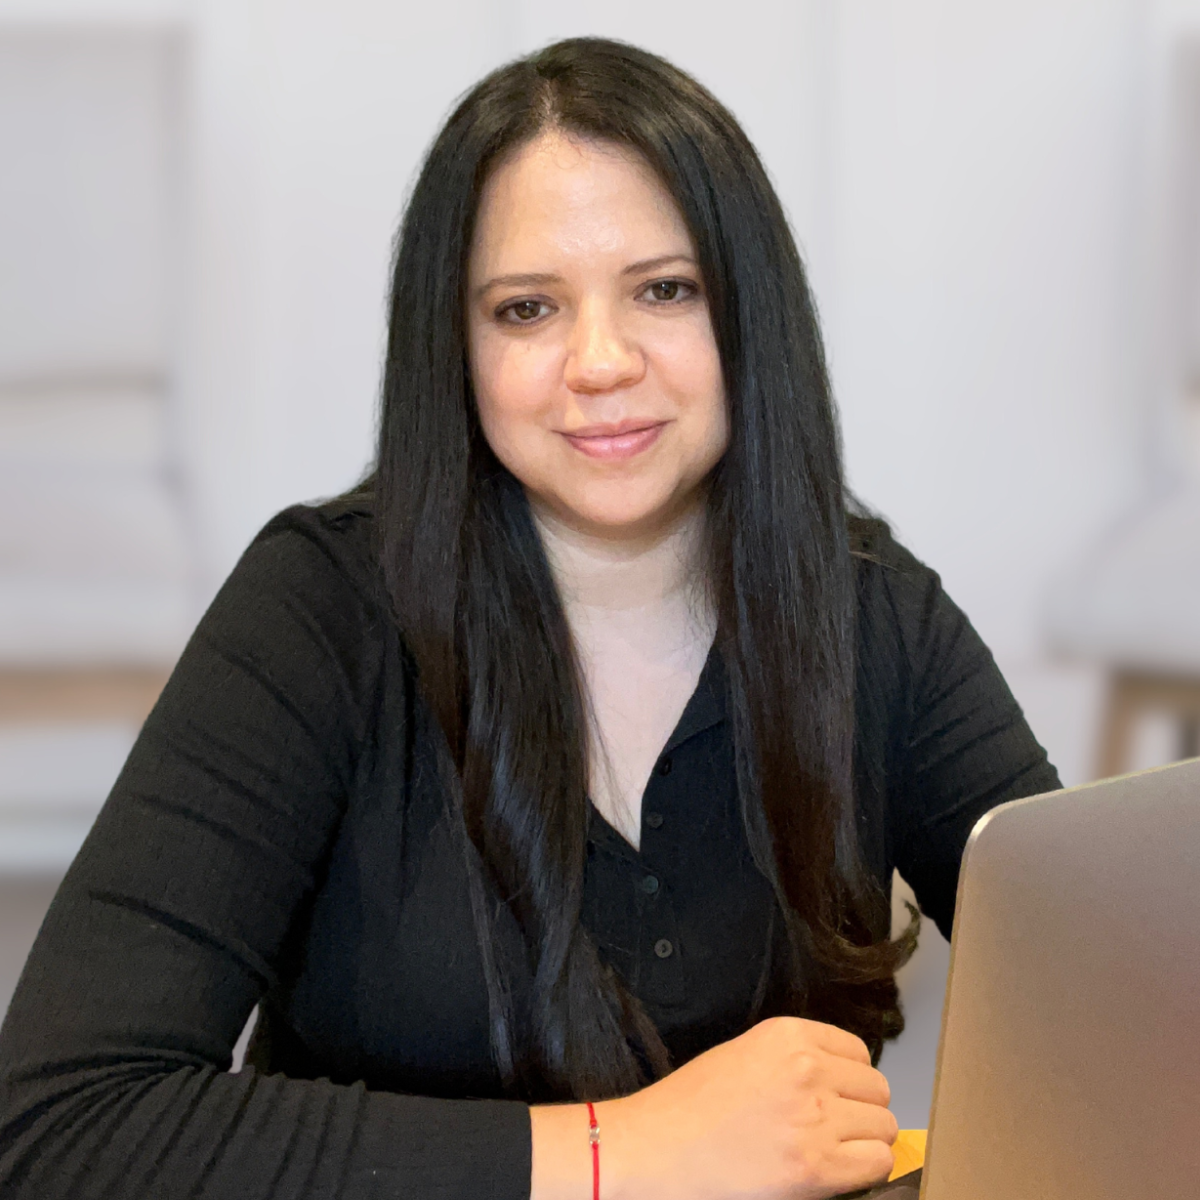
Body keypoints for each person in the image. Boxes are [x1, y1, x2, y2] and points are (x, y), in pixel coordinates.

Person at [0, 37, 1059, 1200]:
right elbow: (62, 1120)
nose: (600, 362)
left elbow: (1116, 989)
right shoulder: (318, 610)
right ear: (455, 347)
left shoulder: (872, 611)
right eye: (527, 309)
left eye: (665, 289)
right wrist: (632, 1151)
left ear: (749, 311)